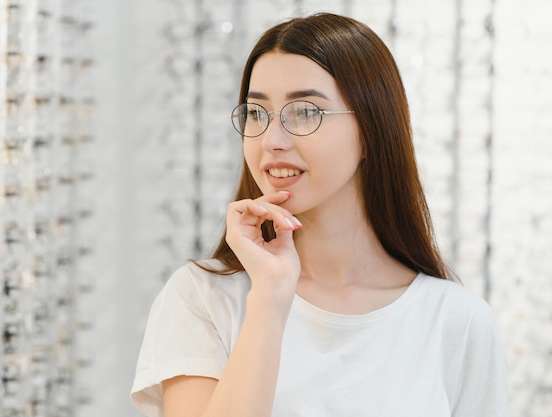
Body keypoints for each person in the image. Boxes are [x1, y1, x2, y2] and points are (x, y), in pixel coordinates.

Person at [130, 12, 509, 417]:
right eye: (257, 114)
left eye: (305, 113)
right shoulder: (202, 297)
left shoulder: (456, 320)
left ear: (371, 131)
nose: (272, 141)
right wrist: (270, 298)